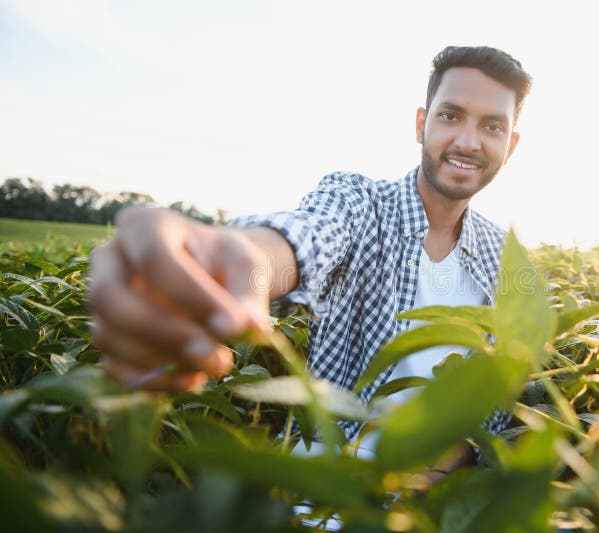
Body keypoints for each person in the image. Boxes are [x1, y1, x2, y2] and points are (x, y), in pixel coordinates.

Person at [88, 46, 533, 469]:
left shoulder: (504, 257)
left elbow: (500, 394)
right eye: (451, 116)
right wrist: (232, 263)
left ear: (510, 147)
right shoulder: (359, 203)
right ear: (422, 124)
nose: (469, 142)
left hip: (448, 503)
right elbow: (307, 237)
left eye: (492, 126)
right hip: (331, 487)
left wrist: (467, 453)